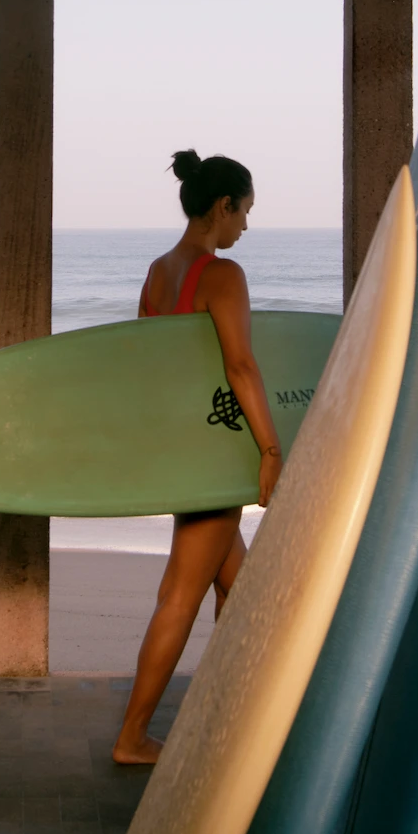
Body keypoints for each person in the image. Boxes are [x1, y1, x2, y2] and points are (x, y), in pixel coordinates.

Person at [112, 148, 285, 765]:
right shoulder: (221, 275)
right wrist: (270, 448)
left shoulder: (158, 271)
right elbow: (241, 365)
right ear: (223, 205)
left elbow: (147, 366)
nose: (244, 227)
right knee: (180, 598)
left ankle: (232, 712)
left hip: (182, 451)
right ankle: (133, 737)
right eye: (244, 213)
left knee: (244, 591)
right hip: (213, 459)